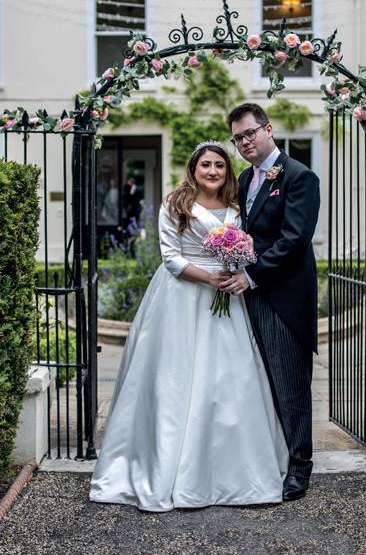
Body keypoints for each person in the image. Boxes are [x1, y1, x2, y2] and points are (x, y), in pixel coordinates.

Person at [89, 141, 287, 512]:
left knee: (228, 379)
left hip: (227, 299)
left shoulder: (236, 207)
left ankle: (230, 472)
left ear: (227, 171)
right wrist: (210, 278)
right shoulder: (175, 204)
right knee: (175, 378)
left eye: (220, 165)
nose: (213, 171)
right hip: (181, 297)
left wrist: (234, 271)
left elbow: (246, 251)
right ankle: (167, 467)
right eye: (206, 165)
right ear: (194, 169)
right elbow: (170, 258)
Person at [219, 102, 320, 502]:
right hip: (251, 296)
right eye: (237, 138)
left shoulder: (299, 176)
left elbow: (294, 240)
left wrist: (251, 275)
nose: (244, 142)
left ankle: (300, 467)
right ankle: (275, 456)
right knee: (263, 382)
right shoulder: (245, 178)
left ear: (268, 129)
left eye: (249, 133)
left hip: (284, 298)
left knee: (291, 385)